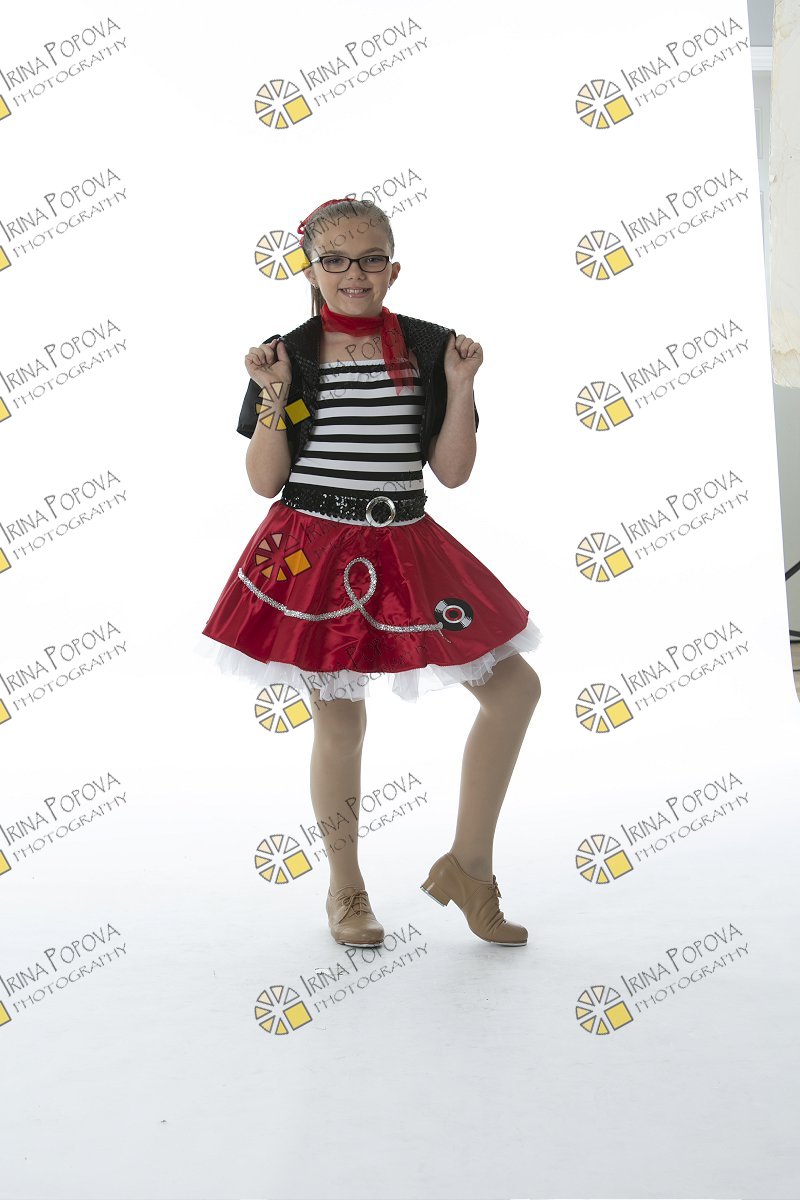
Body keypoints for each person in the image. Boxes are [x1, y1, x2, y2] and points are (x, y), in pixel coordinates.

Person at [197, 196, 544, 949]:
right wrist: (273, 398)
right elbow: (264, 480)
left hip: (406, 542)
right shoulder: (286, 355)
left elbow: (452, 472)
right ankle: (345, 887)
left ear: (394, 267)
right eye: (335, 260)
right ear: (310, 269)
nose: (353, 273)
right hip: (314, 548)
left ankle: (469, 868)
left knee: (515, 688)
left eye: (370, 259)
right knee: (341, 718)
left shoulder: (431, 347)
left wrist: (462, 386)